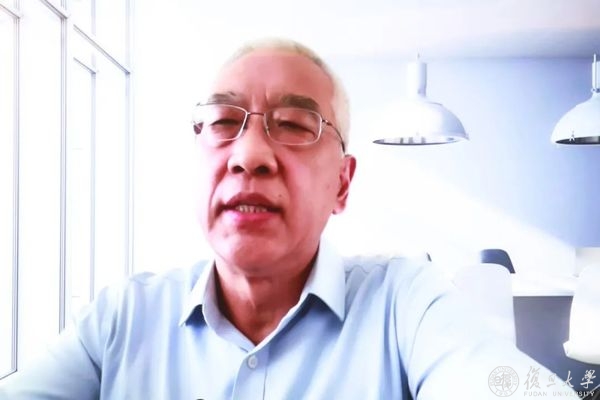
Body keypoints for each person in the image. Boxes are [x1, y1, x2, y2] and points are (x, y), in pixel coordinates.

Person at [0, 38, 575, 399]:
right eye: (224, 122)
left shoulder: (406, 306)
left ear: (342, 183)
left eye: (296, 125)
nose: (249, 154)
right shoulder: (118, 322)